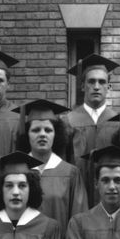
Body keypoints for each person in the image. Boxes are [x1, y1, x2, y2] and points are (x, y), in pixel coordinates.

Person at [22, 99, 89, 231]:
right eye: (36, 130)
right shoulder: (18, 171)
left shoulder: (71, 173)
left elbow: (78, 222)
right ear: (27, 135)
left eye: (48, 130)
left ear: (55, 134)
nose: (42, 134)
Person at [66, 54, 120, 204]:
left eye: (102, 82)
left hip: (110, 198)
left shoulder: (119, 122)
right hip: (76, 197)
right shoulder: (68, 121)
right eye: (91, 81)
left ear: (108, 87)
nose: (96, 86)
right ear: (83, 86)